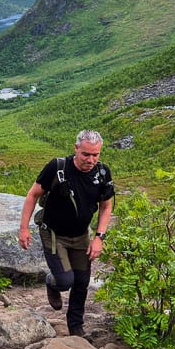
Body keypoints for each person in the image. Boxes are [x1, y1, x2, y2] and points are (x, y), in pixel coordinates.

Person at [18, 130, 114, 336]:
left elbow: (106, 206)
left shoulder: (103, 173)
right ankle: (52, 282)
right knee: (65, 281)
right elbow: (33, 194)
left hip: (81, 235)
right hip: (54, 234)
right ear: (76, 148)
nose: (91, 160)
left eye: (96, 155)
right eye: (86, 154)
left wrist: (99, 237)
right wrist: (24, 228)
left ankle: (76, 328)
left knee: (81, 282)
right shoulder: (58, 167)